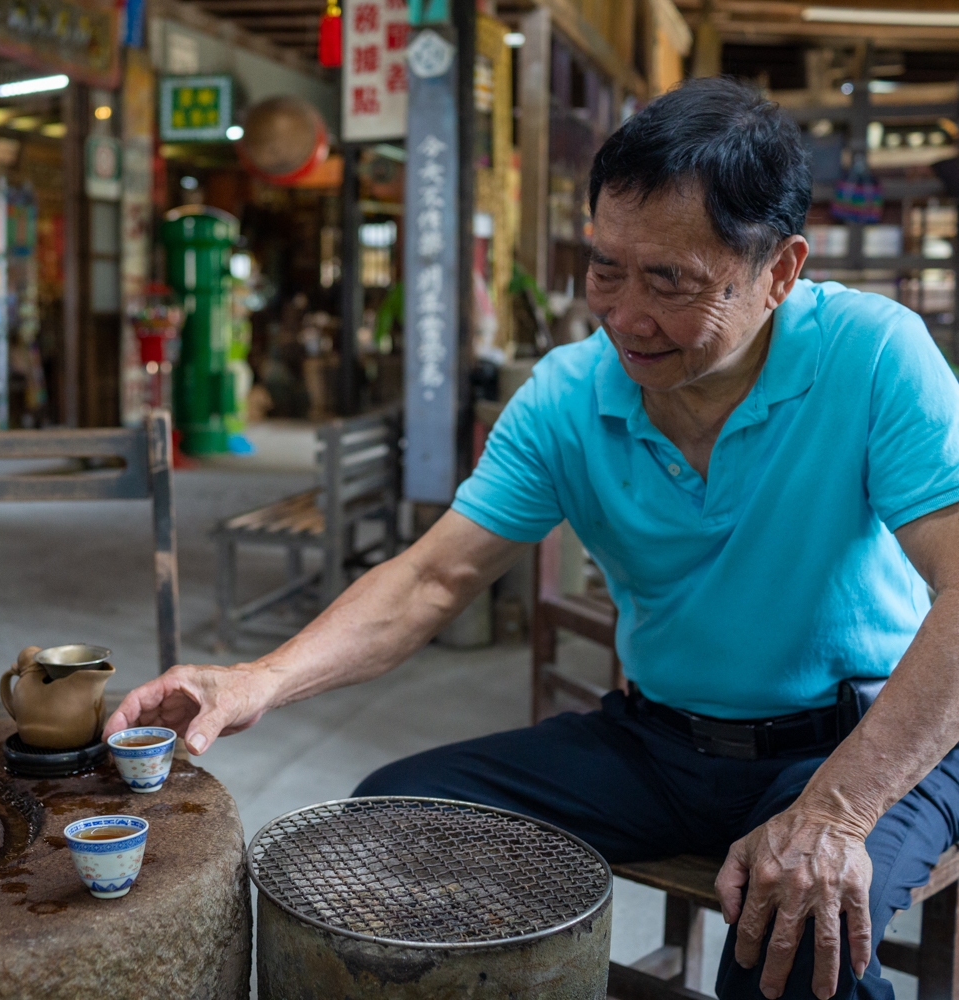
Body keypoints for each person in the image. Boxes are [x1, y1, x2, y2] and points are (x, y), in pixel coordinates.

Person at [104, 77, 959, 1000]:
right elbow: (433, 579)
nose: (626, 317)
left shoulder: (874, 355)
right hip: (660, 742)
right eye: (604, 270)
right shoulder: (567, 393)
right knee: (386, 822)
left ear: (781, 271)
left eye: (670, 282)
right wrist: (255, 679)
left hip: (859, 742)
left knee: (793, 946)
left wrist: (835, 810)